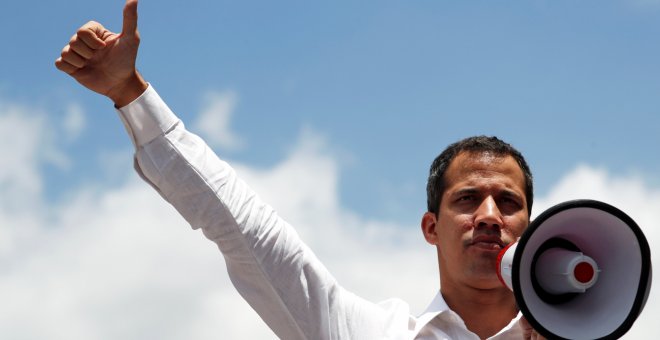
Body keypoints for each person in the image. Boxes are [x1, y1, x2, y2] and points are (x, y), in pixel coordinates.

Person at [55, 1, 545, 339]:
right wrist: (131, 93)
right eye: (466, 198)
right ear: (431, 228)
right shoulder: (366, 332)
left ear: (532, 228)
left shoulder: (584, 329)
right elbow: (244, 227)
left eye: (508, 202)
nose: (487, 216)